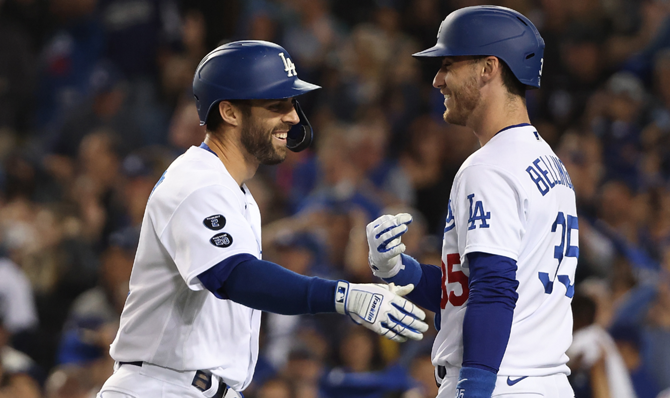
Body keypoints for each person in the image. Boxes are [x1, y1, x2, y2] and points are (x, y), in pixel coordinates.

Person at [96, 40, 428, 398]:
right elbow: (237, 277)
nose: (294, 117)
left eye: (292, 104)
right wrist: (341, 295)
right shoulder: (196, 183)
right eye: (276, 105)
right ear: (230, 112)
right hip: (160, 387)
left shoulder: (234, 190)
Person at [365, 6, 578, 398]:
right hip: (540, 381)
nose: (437, 80)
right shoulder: (548, 161)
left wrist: (474, 390)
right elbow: (471, 289)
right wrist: (400, 271)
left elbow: (495, 289)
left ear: (488, 68)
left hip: (501, 382)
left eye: (449, 64)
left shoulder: (490, 166)